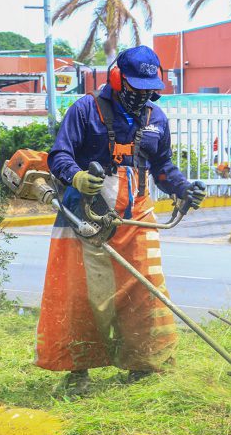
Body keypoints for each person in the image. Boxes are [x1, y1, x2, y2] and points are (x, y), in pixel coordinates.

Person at [38, 45, 206, 395]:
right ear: (117, 78)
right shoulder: (86, 110)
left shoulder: (156, 118)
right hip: (86, 216)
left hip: (138, 216)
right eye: (135, 87)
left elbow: (162, 166)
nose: (142, 94)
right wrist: (76, 176)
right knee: (86, 295)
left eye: (149, 88)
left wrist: (182, 187)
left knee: (146, 292)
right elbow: (59, 155)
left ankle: (144, 364)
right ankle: (79, 371)